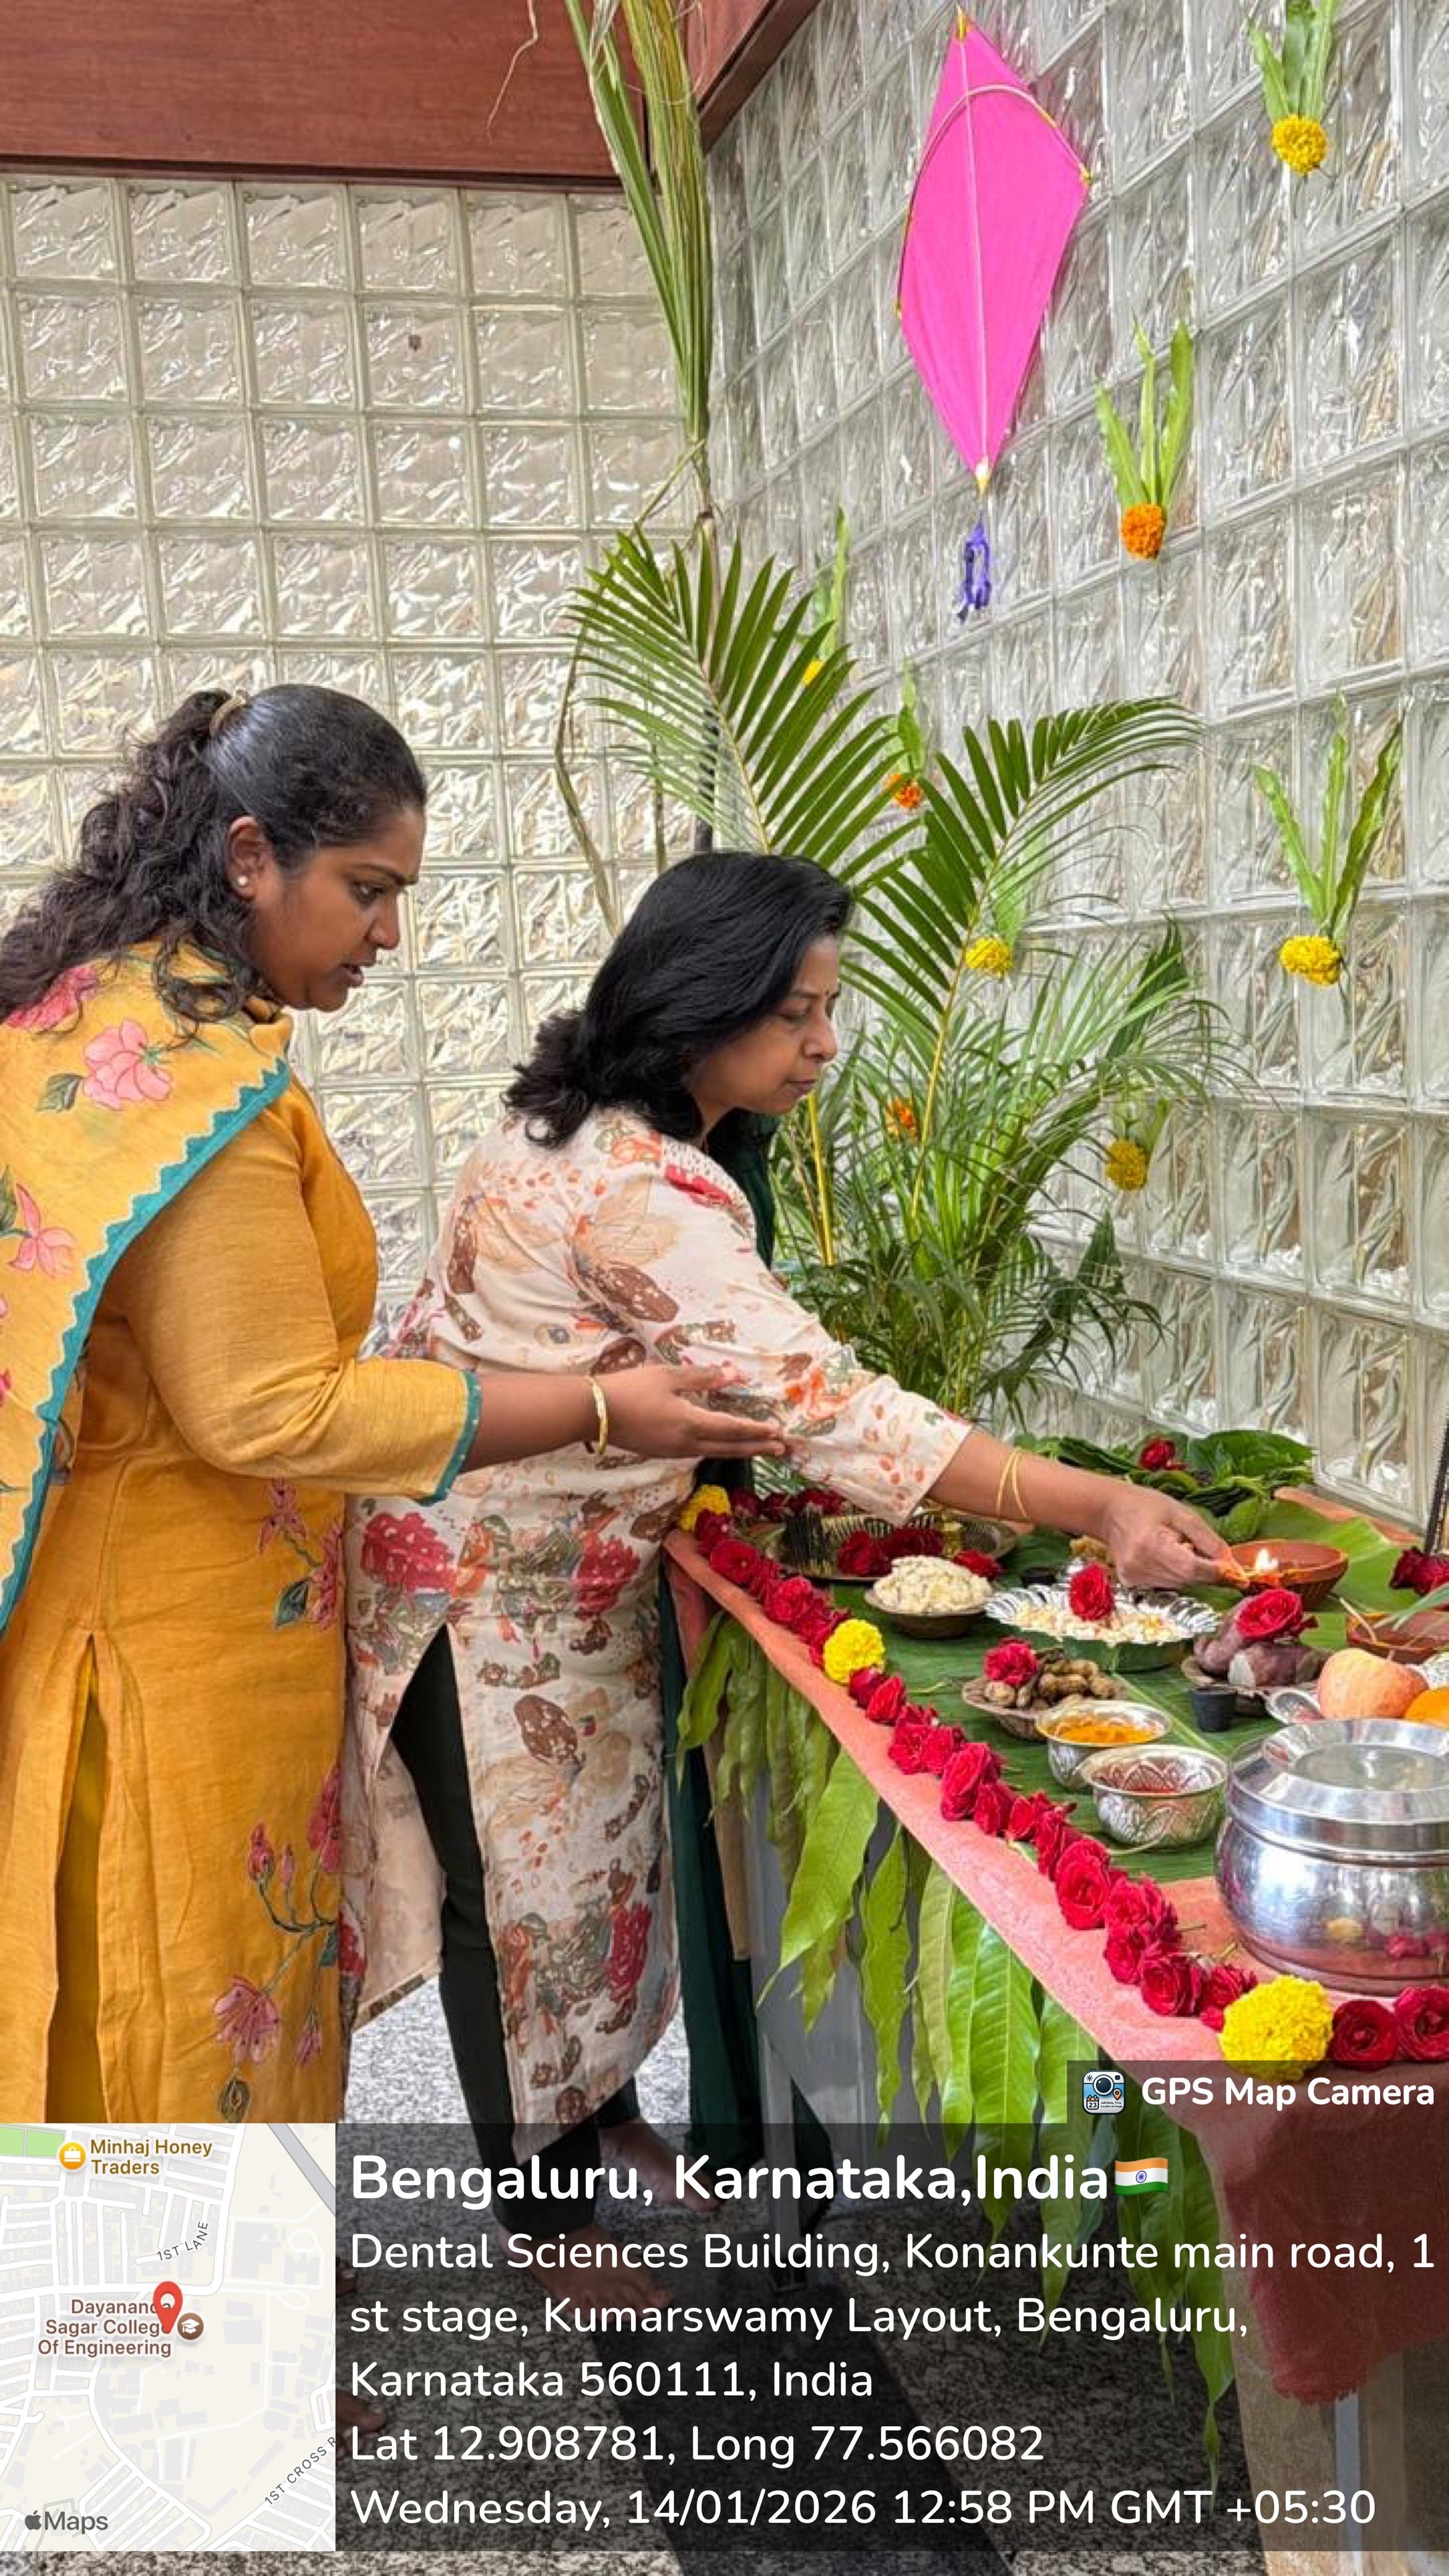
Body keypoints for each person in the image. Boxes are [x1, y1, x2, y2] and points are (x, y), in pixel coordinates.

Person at [344, 848, 1222, 2304]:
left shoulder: (585, 1120)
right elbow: (830, 1409)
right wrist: (1097, 1506)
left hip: (569, 1570)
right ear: (704, 1007)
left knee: (601, 1875)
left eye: (828, 1009)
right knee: (519, 1906)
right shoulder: (639, 1191)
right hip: (491, 1588)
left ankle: (602, 2115)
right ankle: (547, 2230)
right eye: (800, 1013)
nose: (825, 1045)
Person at [0, 687, 778, 2130]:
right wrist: (596, 1413)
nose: (388, 937)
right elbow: (271, 1410)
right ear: (247, 857)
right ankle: (210, 2347)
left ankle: (206, 2325)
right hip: (177, 1650)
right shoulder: (189, 1094)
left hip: (124, 1608)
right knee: (183, 2003)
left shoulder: (86, 1022)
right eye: (367, 891)